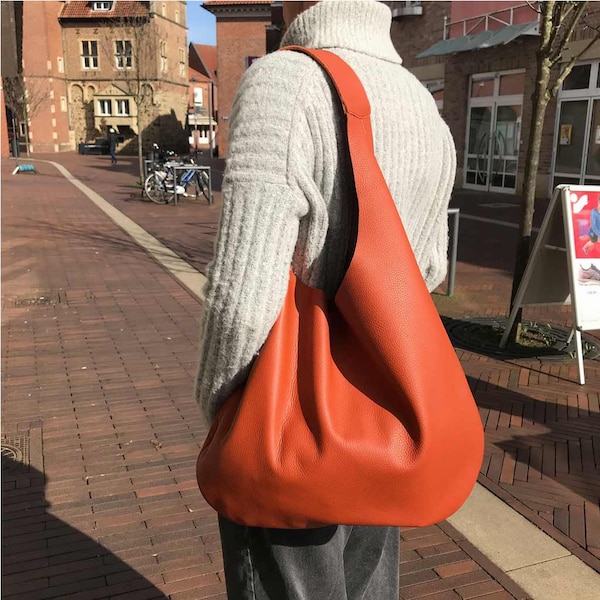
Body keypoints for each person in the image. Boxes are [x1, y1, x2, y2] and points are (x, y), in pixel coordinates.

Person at [194, 1, 456, 598]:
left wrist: (220, 409)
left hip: (287, 430)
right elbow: (430, 269)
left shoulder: (284, 82)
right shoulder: (421, 99)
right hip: (386, 421)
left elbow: (240, 297)